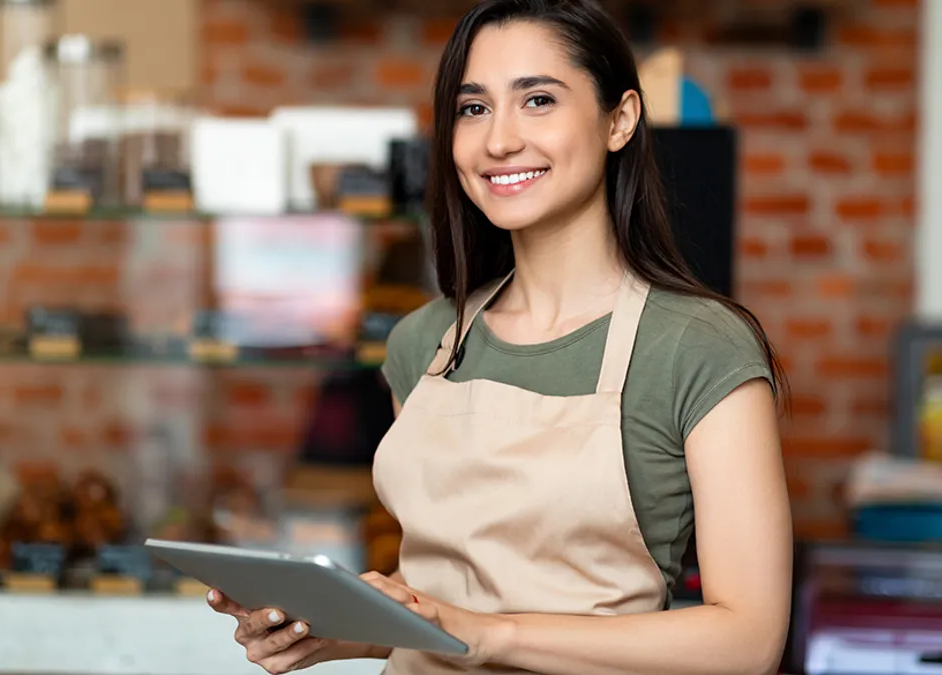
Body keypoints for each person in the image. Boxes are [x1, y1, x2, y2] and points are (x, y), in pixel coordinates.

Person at [207, 0, 794, 673]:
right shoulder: (423, 343)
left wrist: (490, 633)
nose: (499, 140)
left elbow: (748, 641)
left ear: (619, 119)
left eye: (538, 100)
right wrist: (340, 631)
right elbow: (445, 611)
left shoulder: (699, 348)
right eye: (473, 108)